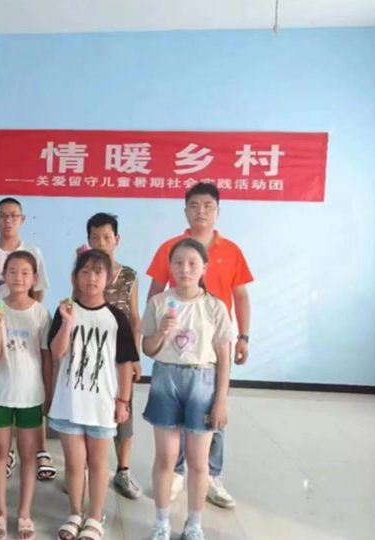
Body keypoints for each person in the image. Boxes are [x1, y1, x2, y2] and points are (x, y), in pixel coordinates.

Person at [146, 184, 253, 508]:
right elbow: (155, 291)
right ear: (185, 211)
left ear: (217, 211)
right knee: (173, 418)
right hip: (175, 349)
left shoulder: (231, 250)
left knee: (212, 411)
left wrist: (243, 337)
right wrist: (154, 331)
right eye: (194, 205)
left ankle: (211, 475)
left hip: (213, 343)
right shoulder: (170, 247)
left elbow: (241, 295)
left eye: (208, 205)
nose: (201, 211)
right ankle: (178, 472)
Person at [142, 239, 232, 540]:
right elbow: (148, 349)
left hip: (202, 380)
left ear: (204, 267)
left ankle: (194, 525)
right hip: (165, 378)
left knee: (198, 461)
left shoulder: (214, 306)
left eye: (193, 263)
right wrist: (161, 331)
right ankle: (161, 523)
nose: (185, 269)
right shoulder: (158, 303)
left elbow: (223, 357)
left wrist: (220, 401)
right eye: (178, 263)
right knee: (166, 458)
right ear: (170, 267)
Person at [48, 249, 137, 540]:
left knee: (98, 464)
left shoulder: (117, 317)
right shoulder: (65, 311)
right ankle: (76, 513)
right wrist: (67, 322)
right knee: (74, 464)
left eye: (98, 272)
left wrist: (123, 401)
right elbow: (57, 352)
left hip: (101, 405)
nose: (91, 278)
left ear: (108, 278)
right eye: (85, 272)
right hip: (69, 403)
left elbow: (125, 363)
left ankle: (95, 517)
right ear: (75, 277)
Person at [0, 197, 55, 481]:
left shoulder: (33, 251)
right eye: (3, 216)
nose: (8, 221)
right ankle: (6, 452)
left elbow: (38, 292)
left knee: (31, 387)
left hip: (26, 331)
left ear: (22, 220)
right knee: (1, 387)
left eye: (14, 215)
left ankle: (39, 451)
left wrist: (33, 317)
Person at [0, 251, 53, 540]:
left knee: (27, 454)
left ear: (34, 278)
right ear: (3, 276)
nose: (18, 278)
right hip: (0, 392)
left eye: (25, 273)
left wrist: (48, 393)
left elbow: (46, 357)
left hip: (30, 394)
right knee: (0, 451)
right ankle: (0, 511)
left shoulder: (40, 313)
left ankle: (24, 513)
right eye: (12, 271)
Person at [79, 212, 143, 499]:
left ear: (117, 239)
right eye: (95, 238)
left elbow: (135, 317)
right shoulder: (84, 272)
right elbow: (76, 306)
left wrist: (136, 357)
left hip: (121, 356)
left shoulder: (129, 275)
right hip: (91, 354)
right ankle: (83, 469)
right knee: (88, 410)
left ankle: (123, 470)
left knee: (123, 410)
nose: (101, 242)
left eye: (106, 237)